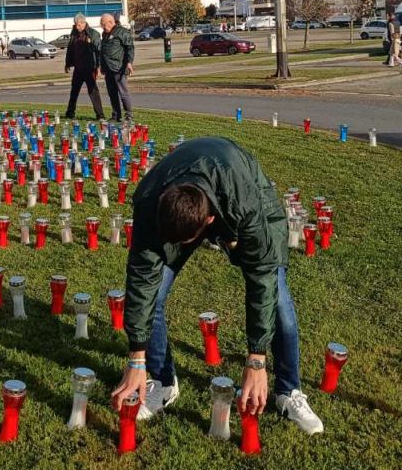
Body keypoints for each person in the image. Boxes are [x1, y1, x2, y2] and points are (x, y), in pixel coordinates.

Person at [110, 136, 324, 435]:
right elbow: (141, 278)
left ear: (208, 221)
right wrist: (136, 357)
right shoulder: (150, 201)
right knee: (154, 291)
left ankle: (289, 391)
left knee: (278, 300)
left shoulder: (244, 203)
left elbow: (261, 278)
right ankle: (162, 380)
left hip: (243, 189)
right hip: (189, 192)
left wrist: (257, 359)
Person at [63, 13, 104, 120]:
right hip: (78, 68)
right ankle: (70, 113)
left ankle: (100, 115)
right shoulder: (74, 34)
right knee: (74, 91)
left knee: (93, 91)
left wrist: (99, 68)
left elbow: (98, 51)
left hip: (90, 67)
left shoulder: (93, 34)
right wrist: (68, 63)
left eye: (78, 25)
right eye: (76, 25)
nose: (77, 27)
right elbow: (70, 50)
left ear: (83, 22)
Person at [99, 13, 135, 123]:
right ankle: (116, 115)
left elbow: (130, 48)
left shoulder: (122, 32)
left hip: (119, 68)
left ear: (110, 22)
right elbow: (103, 51)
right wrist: (102, 66)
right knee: (112, 93)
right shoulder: (104, 34)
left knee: (123, 93)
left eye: (103, 25)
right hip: (108, 68)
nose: (103, 27)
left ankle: (129, 115)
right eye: (102, 25)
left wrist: (129, 62)